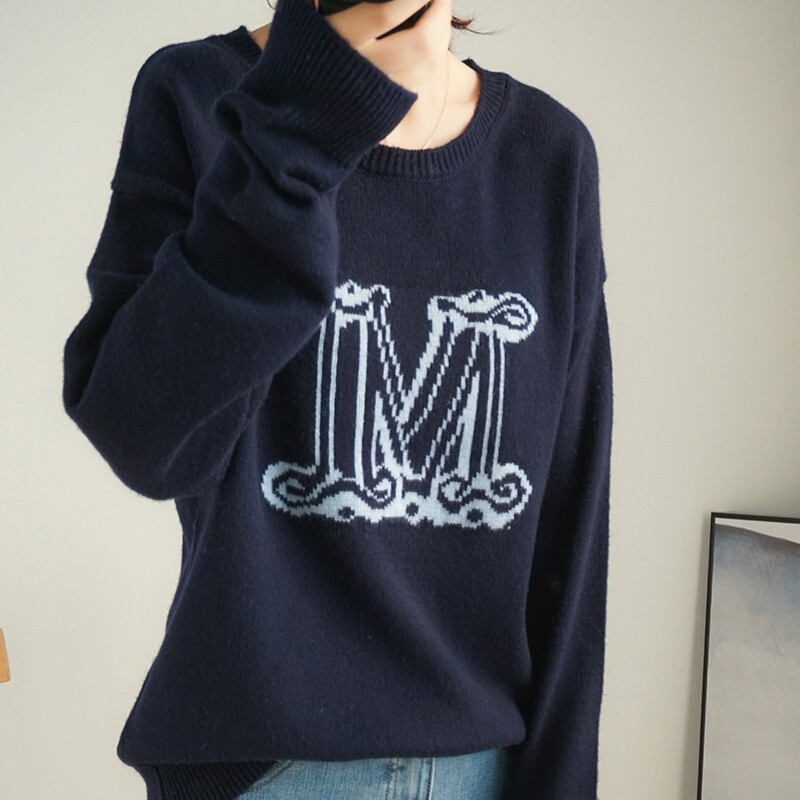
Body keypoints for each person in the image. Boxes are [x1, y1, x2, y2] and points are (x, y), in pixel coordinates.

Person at [61, 0, 613, 798]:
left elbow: (571, 520)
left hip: (482, 772)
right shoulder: (199, 96)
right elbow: (148, 440)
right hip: (267, 770)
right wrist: (303, 127)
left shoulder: (548, 156)